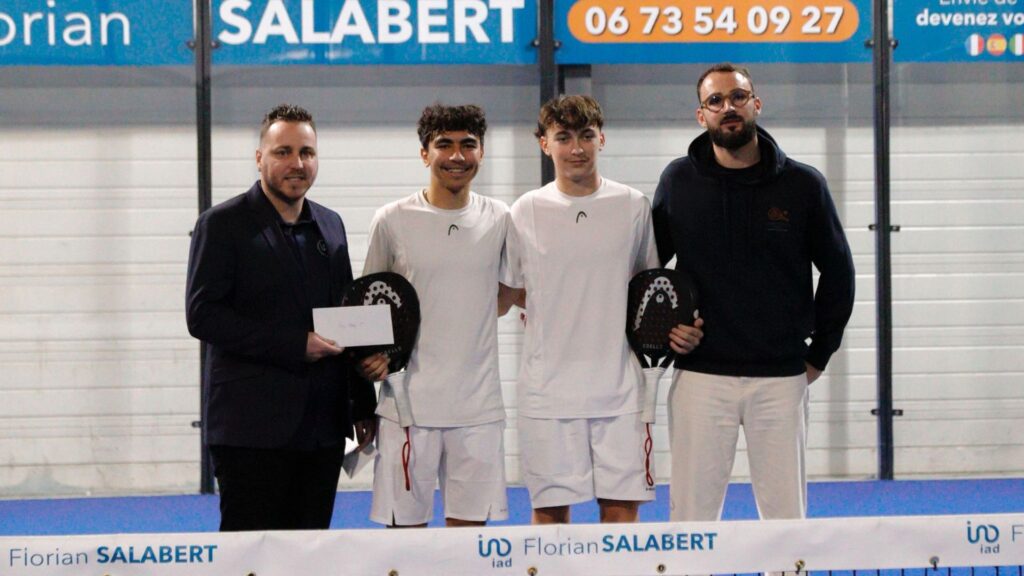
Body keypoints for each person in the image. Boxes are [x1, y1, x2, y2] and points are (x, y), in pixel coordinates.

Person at [652, 63, 856, 523]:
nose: (728, 108)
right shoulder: (677, 182)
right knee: (691, 522)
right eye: (715, 101)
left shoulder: (804, 185)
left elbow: (840, 273)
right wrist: (667, 332)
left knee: (786, 524)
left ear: (756, 105)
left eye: (738, 97)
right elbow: (650, 273)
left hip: (781, 379)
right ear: (700, 115)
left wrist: (818, 355)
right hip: (700, 379)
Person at [503, 95, 702, 524]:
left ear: (602, 139)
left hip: (622, 393)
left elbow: (647, 289)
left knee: (620, 517)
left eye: (586, 136)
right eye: (564, 137)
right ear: (545, 144)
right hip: (547, 395)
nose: (577, 148)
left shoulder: (633, 206)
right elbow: (512, 291)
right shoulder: (524, 211)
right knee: (550, 518)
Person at [185, 104, 377, 531]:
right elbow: (202, 316)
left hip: (323, 429)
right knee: (249, 555)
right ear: (260, 159)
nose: (297, 163)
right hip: (249, 430)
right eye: (283, 152)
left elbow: (345, 316)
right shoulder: (220, 224)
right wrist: (296, 344)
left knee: (309, 554)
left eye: (307, 152)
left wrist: (363, 403)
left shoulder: (331, 225)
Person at [361, 103, 512, 528]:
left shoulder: (501, 218)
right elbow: (369, 303)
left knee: (469, 548)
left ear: (482, 152)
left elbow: (506, 296)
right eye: (444, 144)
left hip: (478, 411)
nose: (457, 156)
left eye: (469, 145)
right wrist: (372, 358)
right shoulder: (391, 220)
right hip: (406, 408)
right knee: (404, 546)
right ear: (425, 153)